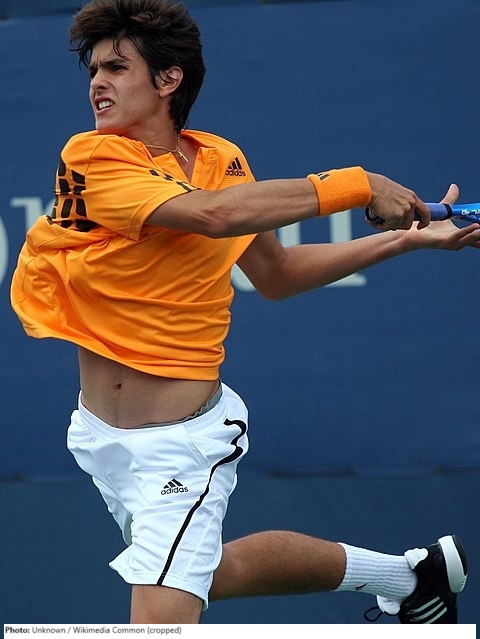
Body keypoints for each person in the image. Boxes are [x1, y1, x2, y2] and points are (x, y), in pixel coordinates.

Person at [10, 0, 477, 625]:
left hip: (185, 444)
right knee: (210, 572)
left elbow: (276, 274)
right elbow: (215, 215)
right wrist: (359, 183)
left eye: (117, 67)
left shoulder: (220, 160)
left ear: (169, 78)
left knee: (159, 619)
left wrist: (402, 240)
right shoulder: (93, 156)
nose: (98, 81)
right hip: (102, 441)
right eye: (94, 69)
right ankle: (408, 577)